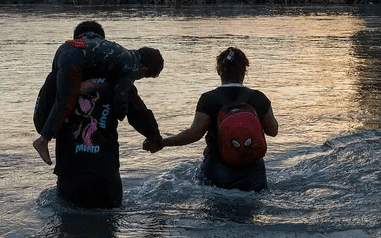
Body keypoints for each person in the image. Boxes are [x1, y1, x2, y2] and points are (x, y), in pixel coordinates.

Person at [32, 21, 165, 208]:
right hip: (106, 169)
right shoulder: (118, 78)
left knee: (68, 231)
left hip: (70, 169)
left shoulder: (57, 78)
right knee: (108, 230)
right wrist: (154, 137)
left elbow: (40, 121)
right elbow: (139, 114)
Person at [148, 47, 278, 192]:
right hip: (253, 171)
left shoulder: (209, 99)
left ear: (218, 71)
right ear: (244, 71)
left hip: (218, 169)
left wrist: (162, 142)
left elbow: (194, 134)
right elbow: (273, 131)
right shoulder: (258, 98)